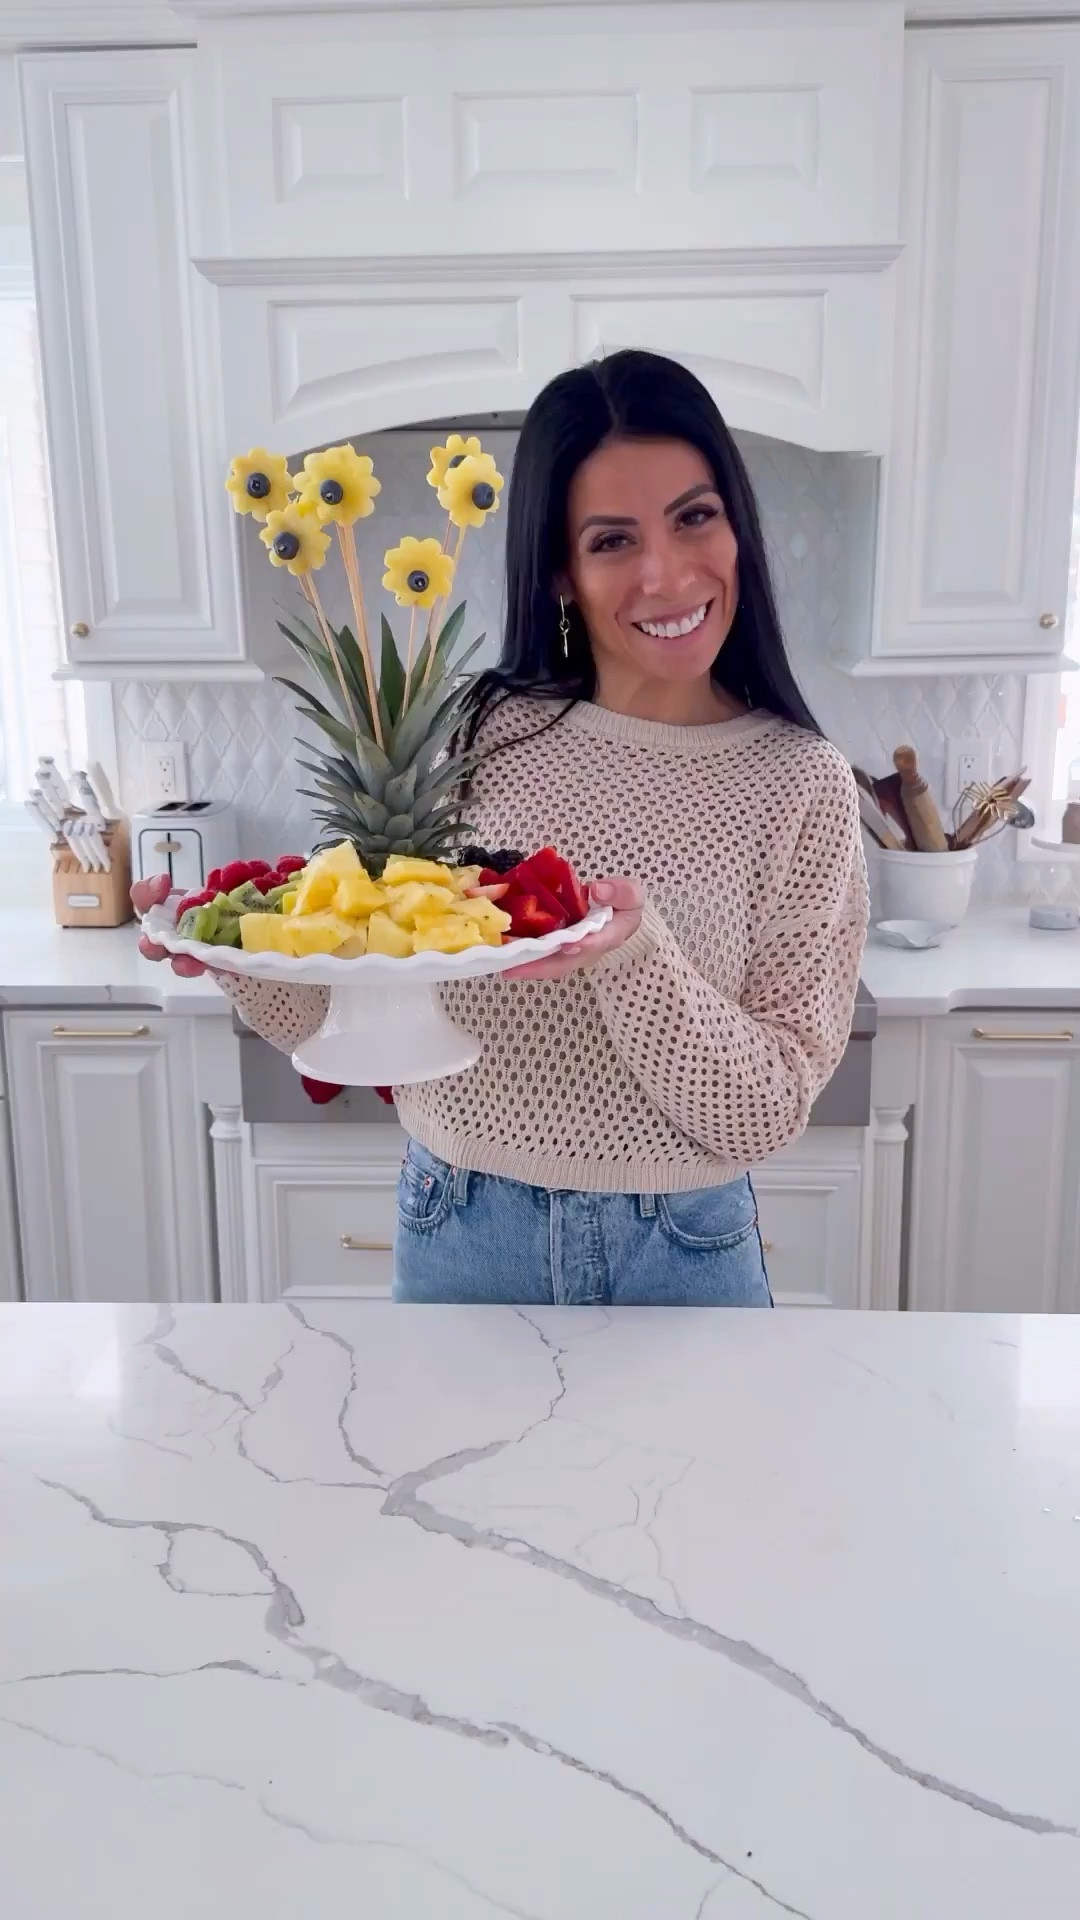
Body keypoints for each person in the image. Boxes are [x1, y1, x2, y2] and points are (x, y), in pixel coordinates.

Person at [136, 349, 868, 1308]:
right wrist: (235, 953)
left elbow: (764, 1113)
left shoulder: (801, 784)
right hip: (460, 1230)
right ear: (562, 572)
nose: (664, 573)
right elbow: (358, 1016)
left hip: (683, 1250)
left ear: (738, 527)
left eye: (694, 516)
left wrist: (630, 953)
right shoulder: (478, 737)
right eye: (612, 540)